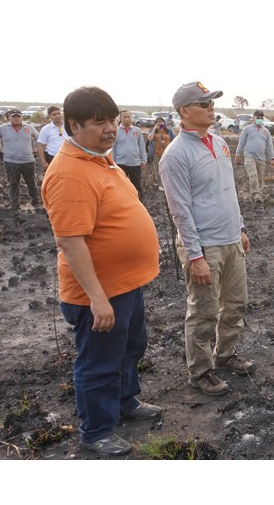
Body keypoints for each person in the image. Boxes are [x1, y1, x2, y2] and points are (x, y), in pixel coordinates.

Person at [41, 86, 161, 456]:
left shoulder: (99, 160)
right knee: (99, 363)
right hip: (101, 293)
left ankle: (125, 400)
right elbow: (71, 243)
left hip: (126, 284)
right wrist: (97, 299)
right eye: (99, 123)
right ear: (74, 125)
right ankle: (96, 431)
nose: (110, 128)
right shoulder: (69, 174)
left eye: (112, 119)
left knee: (130, 348)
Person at [159, 81, 254, 397]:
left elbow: (228, 191)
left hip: (230, 240)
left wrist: (239, 228)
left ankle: (225, 355)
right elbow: (180, 210)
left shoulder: (220, 142)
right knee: (204, 312)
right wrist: (195, 256)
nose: (211, 108)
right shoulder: (176, 155)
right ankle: (200, 372)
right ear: (185, 112)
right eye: (204, 104)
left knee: (236, 304)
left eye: (212, 102)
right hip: (204, 246)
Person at [0, 108, 40, 210]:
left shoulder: (29, 127)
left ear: (21, 117)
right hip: (10, 161)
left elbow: (38, 137)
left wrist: (36, 148)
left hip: (28, 161)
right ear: (9, 117)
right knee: (13, 184)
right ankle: (15, 204)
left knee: (31, 183)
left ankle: (36, 203)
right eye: (14, 116)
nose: (16, 118)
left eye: (18, 116)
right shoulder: (3, 128)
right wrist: (1, 150)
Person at [235, 109, 274, 202]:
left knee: (259, 179)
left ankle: (255, 194)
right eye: (258, 117)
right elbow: (241, 142)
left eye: (261, 118)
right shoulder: (247, 129)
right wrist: (238, 154)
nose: (260, 119)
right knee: (253, 175)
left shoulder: (266, 131)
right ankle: (256, 195)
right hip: (249, 157)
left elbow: (269, 145)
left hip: (261, 158)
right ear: (253, 118)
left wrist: (272, 158)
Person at [113, 110, 147, 200]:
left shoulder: (137, 131)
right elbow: (113, 148)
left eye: (128, 117)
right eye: (125, 117)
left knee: (136, 186)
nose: (127, 119)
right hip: (120, 163)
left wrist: (143, 160)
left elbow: (142, 147)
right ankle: (122, 203)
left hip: (135, 163)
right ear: (120, 118)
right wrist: (112, 163)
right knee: (120, 186)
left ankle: (140, 204)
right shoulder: (116, 131)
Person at [36, 106, 66, 170]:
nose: (57, 116)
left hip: (68, 157)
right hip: (53, 158)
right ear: (50, 117)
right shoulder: (45, 129)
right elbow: (41, 145)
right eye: (54, 114)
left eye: (58, 113)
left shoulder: (69, 126)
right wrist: (43, 161)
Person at [147, 116, 175, 183]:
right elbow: (150, 138)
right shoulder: (152, 130)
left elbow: (173, 141)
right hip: (156, 153)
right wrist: (154, 129)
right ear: (155, 123)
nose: (160, 123)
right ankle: (159, 184)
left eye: (161, 122)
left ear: (164, 123)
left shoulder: (168, 131)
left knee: (167, 169)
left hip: (167, 153)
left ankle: (167, 183)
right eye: (158, 122)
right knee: (158, 169)